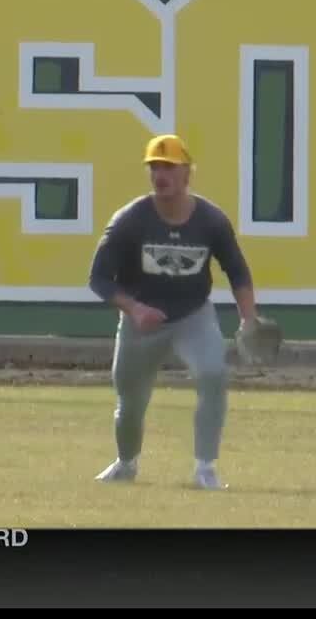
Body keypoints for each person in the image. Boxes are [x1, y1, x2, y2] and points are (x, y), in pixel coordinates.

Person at [87, 133, 258, 490]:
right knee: (130, 399)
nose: (160, 175)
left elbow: (238, 272)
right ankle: (126, 462)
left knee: (213, 375)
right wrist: (133, 308)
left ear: (187, 174)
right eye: (154, 168)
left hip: (193, 316)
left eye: (169, 167)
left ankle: (205, 467)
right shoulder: (130, 220)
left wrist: (248, 319)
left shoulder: (211, 220)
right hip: (142, 322)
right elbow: (99, 278)